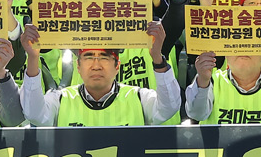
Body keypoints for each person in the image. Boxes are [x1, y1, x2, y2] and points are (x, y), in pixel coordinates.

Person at [18, 22, 180, 126]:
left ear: (117, 66)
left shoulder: (138, 97)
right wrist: (33, 58)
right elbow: (34, 114)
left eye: (104, 57)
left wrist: (157, 58)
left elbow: (169, 107)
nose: (96, 65)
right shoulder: (60, 99)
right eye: (89, 57)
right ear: (78, 66)